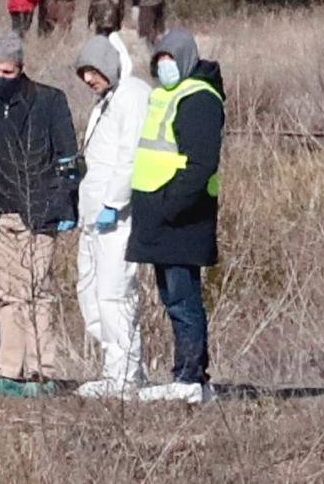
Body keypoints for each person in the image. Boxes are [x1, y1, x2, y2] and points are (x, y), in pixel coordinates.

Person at [0, 32, 78, 397]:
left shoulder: (50, 102)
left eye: (7, 72)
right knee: (8, 294)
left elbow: (67, 157)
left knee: (37, 290)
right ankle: (10, 371)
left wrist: (65, 203)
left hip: (39, 211)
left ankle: (41, 371)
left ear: (21, 70)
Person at [127, 28, 224, 405]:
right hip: (161, 220)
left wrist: (170, 205)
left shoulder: (199, 99)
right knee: (173, 299)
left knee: (184, 301)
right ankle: (185, 375)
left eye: (169, 60)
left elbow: (200, 165)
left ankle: (190, 376)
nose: (164, 68)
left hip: (183, 219)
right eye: (159, 61)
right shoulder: (165, 95)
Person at [73, 35, 151, 398]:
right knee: (90, 292)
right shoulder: (105, 101)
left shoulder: (132, 94)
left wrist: (114, 203)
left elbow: (129, 155)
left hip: (115, 217)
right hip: (92, 215)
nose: (89, 78)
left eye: (93, 70)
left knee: (114, 293)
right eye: (84, 72)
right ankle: (114, 368)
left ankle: (125, 375)